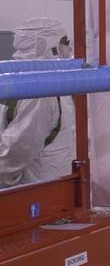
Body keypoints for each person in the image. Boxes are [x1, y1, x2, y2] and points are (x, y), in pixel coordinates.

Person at [0, 18, 75, 188]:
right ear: (45, 45)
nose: (69, 48)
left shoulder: (26, 79)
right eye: (64, 42)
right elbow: (18, 148)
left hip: (49, 183)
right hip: (41, 187)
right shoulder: (40, 91)